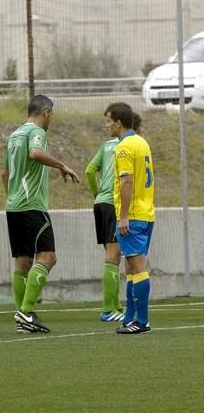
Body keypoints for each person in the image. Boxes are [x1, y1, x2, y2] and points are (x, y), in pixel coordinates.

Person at [1, 95, 80, 333]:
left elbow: (4, 174)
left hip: (13, 205)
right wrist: (61, 165)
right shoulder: (37, 132)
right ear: (45, 112)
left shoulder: (14, 135)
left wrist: (12, 196)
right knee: (48, 258)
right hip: (32, 205)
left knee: (22, 262)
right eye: (51, 114)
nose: (51, 119)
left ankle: (23, 316)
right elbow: (35, 153)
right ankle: (25, 312)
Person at [105, 103, 155, 335]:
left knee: (137, 267)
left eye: (108, 121)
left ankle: (142, 321)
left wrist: (123, 216)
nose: (107, 125)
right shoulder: (142, 142)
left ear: (118, 122)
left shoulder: (124, 147)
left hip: (132, 216)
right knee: (131, 267)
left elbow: (126, 181)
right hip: (146, 213)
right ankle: (130, 317)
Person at [85, 115, 125, 322]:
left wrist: (96, 192)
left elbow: (90, 170)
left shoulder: (106, 145)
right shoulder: (128, 145)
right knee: (113, 256)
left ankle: (116, 306)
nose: (106, 125)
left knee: (113, 257)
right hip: (113, 204)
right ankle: (108, 309)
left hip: (100, 203)